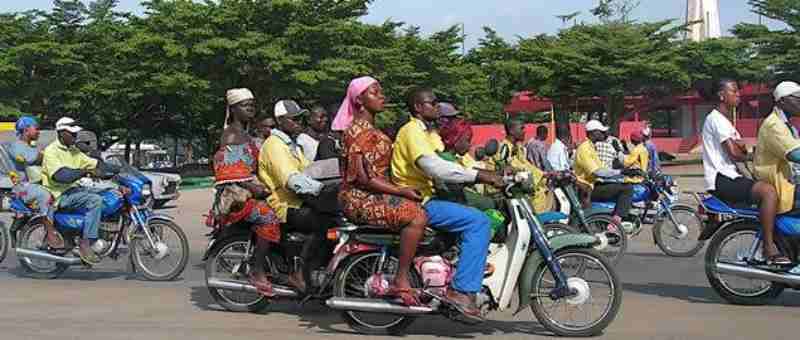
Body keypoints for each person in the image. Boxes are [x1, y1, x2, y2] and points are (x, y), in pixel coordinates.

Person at [392, 87, 504, 321]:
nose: (437, 107)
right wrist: (479, 177)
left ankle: (455, 272)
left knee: (472, 212)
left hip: (429, 196)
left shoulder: (428, 133)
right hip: (418, 201)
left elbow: (450, 163)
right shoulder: (411, 131)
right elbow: (434, 167)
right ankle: (461, 291)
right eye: (432, 103)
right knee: (479, 222)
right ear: (418, 108)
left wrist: (493, 173)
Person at [335, 77, 428, 306]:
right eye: (375, 93)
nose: (382, 96)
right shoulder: (357, 132)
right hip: (359, 199)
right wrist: (401, 191)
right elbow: (363, 179)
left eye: (381, 92)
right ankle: (401, 279)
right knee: (416, 217)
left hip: (375, 194)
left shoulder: (372, 129)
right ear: (359, 100)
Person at [259, 99, 339, 293]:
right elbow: (292, 179)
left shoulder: (291, 144)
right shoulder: (275, 145)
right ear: (281, 121)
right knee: (323, 223)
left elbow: (309, 169)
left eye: (300, 118)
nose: (298, 122)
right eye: (293, 119)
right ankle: (300, 272)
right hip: (283, 205)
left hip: (299, 201)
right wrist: (320, 189)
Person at [702, 79, 782, 264]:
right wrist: (750, 154)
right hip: (722, 179)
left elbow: (738, 150)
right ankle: (769, 247)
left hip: (731, 175)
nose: (738, 94)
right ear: (722, 95)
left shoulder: (724, 121)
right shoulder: (716, 119)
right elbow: (735, 153)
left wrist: (742, 150)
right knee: (768, 192)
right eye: (734, 91)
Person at [213, 88, 281, 296]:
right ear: (233, 109)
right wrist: (255, 188)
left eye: (252, 104)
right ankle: (257, 269)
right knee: (269, 217)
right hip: (236, 197)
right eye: (245, 105)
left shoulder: (246, 134)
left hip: (252, 189)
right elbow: (229, 175)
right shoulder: (231, 135)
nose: (250, 108)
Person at [42, 117, 113, 264]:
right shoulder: (51, 151)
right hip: (58, 195)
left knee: (106, 194)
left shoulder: (74, 151)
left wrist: (110, 169)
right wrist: (84, 172)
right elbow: (60, 176)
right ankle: (86, 243)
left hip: (73, 191)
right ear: (62, 133)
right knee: (95, 200)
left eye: (76, 134)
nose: (75, 136)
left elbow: (93, 164)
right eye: (72, 134)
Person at [753, 81, 800, 265]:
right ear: (782, 102)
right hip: (778, 185)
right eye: (797, 99)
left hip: (789, 181)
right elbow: (794, 153)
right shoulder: (774, 125)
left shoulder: (787, 125)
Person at [7, 117, 59, 248]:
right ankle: (50, 234)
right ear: (26, 130)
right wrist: (47, 153)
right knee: (45, 196)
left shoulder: (34, 146)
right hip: (22, 188)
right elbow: (30, 159)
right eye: (36, 129)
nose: (38, 132)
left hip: (36, 184)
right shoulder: (15, 146)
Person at [574, 120, 635, 233]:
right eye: (601, 132)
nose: (603, 134)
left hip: (593, 185)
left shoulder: (592, 147)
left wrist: (621, 174)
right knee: (627, 189)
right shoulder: (585, 149)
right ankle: (614, 224)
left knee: (624, 184)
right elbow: (598, 172)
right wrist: (621, 172)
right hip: (586, 189)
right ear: (593, 133)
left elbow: (604, 170)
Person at [495, 119, 551, 213]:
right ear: (512, 131)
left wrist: (543, 174)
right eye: (521, 128)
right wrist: (541, 175)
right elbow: (514, 167)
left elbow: (526, 164)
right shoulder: (505, 148)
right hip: (511, 192)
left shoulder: (518, 147)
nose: (524, 131)